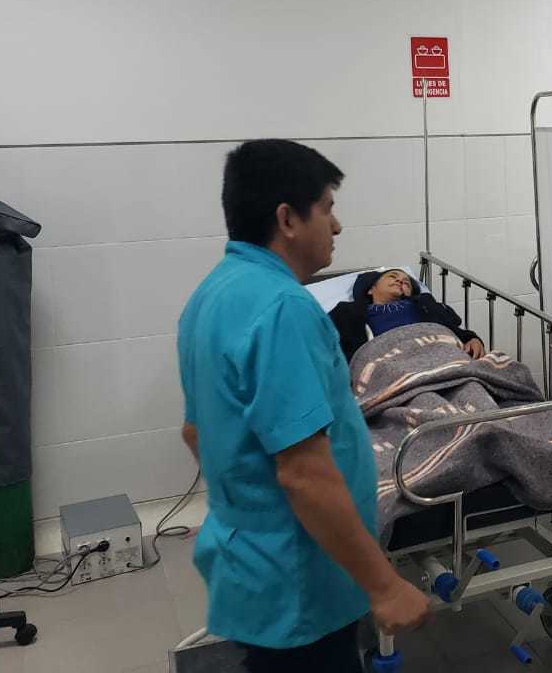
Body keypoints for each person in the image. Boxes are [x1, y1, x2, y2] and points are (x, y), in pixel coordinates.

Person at [177, 140, 429, 673]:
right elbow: (304, 475)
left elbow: (196, 433)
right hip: (300, 579)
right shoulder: (284, 310)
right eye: (327, 209)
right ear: (288, 219)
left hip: (251, 564)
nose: (336, 226)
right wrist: (384, 586)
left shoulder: (211, 295)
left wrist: (250, 509)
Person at [329, 267, 486, 362]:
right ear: (370, 289)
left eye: (406, 282)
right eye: (393, 276)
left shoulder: (425, 305)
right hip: (386, 364)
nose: (400, 281)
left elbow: (450, 328)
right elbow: (325, 340)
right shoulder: (349, 312)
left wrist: (471, 339)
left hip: (438, 354)